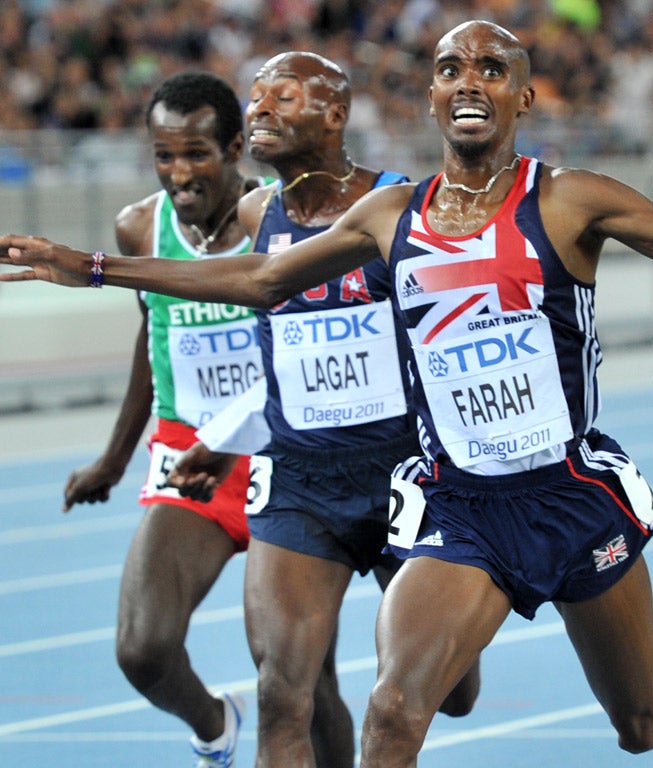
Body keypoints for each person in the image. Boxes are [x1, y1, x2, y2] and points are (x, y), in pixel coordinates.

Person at [2, 21, 653, 768]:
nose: (469, 80)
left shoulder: (569, 200)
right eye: (449, 67)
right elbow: (251, 279)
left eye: (493, 66)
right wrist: (93, 267)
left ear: (523, 98)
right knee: (394, 711)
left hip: (571, 495)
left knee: (637, 722)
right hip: (457, 506)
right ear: (432, 99)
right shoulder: (388, 214)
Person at [165, 51, 479, 768]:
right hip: (301, 476)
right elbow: (286, 349)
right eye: (256, 97)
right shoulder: (256, 211)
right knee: (283, 691)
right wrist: (225, 436)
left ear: (336, 116)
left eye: (284, 96)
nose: (261, 109)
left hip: (411, 474)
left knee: (447, 694)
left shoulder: (406, 206)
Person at [55, 70, 268, 767]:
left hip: (278, 451)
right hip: (190, 452)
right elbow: (154, 339)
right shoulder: (140, 225)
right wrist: (113, 461)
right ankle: (214, 726)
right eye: (164, 155)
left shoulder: (274, 219)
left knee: (299, 673)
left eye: (197, 154)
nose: (179, 173)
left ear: (236, 146)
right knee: (142, 649)